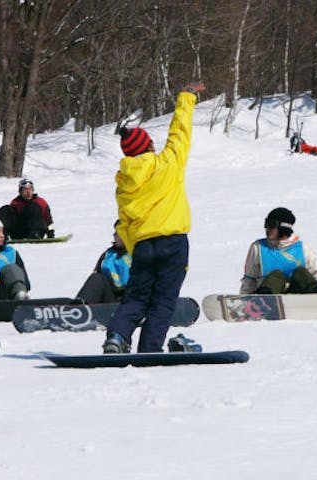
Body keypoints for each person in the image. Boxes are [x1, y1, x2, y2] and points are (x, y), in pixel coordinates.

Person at [102, 82, 205, 354]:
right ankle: (149, 348)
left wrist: (136, 249)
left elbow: (125, 222)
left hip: (145, 247)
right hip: (173, 242)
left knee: (136, 297)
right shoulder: (167, 164)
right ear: (148, 145)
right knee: (163, 300)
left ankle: (116, 337)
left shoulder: (124, 185)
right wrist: (186, 97)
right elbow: (179, 133)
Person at [240, 207, 317, 295]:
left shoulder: (303, 250)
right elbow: (249, 279)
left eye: (271, 225)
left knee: (300, 273)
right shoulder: (258, 248)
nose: (267, 229)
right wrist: (244, 302)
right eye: (266, 224)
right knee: (276, 276)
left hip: (299, 297)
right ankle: (265, 297)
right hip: (271, 299)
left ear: (283, 228)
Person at [76, 221, 131, 304]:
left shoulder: (139, 253)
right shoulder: (108, 255)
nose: (114, 235)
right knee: (97, 278)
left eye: (117, 233)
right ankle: (80, 307)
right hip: (110, 302)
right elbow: (96, 280)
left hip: (132, 302)